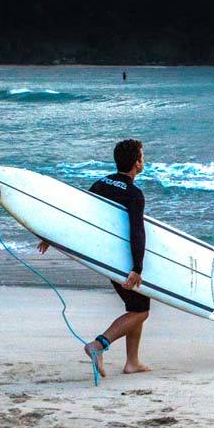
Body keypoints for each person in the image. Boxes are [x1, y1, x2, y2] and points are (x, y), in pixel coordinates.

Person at [38, 138, 150, 378]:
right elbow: (136, 232)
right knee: (141, 311)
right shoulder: (134, 194)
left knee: (136, 305)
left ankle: (132, 362)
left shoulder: (101, 183)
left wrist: (51, 235)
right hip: (122, 260)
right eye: (142, 155)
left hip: (105, 257)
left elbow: (80, 214)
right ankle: (98, 345)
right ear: (136, 162)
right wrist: (137, 267)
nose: (144, 159)